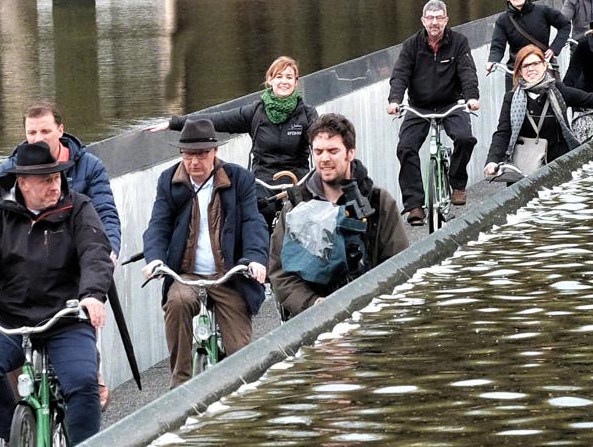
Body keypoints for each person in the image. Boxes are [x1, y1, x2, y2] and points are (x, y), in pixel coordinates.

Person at [0, 140, 114, 447]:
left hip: (66, 317)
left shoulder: (78, 208)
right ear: (22, 183)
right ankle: (14, 435)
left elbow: (95, 254)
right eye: (46, 180)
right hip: (13, 317)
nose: (55, 186)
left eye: (57, 178)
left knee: (82, 384)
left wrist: (93, 296)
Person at [141, 117, 269, 379]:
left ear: (215, 152)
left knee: (241, 361)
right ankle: (180, 384)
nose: (194, 163)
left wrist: (255, 259)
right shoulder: (169, 180)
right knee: (176, 303)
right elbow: (158, 225)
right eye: (188, 155)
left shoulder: (239, 179)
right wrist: (155, 260)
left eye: (201, 155)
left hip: (228, 276)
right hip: (186, 275)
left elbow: (252, 222)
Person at [268, 113, 412, 317]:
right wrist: (313, 304)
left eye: (333, 150)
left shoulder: (378, 202)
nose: (324, 158)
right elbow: (280, 272)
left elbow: (398, 262)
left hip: (369, 313)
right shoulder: (295, 206)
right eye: (318, 151)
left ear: (350, 152)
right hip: (311, 319)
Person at [483, 44, 593, 179]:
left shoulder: (559, 90)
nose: (531, 69)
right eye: (525, 66)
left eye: (535, 63)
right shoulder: (511, 98)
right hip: (524, 165)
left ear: (545, 66)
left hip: (557, 163)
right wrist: (492, 161)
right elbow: (503, 133)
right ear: (519, 72)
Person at [173, 55, 313, 216]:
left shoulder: (307, 114)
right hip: (264, 183)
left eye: (289, 77)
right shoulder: (256, 112)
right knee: (253, 213)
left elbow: (321, 136)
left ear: (296, 82)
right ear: (270, 80)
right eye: (279, 76)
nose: (284, 81)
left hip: (298, 181)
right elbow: (216, 119)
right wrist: (174, 123)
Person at [0, 100, 122, 255]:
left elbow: (106, 214)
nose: (38, 139)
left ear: (60, 130)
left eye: (45, 131)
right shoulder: (7, 171)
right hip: (25, 256)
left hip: (77, 253)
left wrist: (109, 252)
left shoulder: (90, 166)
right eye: (32, 133)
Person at [388, 0, 480, 222]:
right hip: (419, 106)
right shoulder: (411, 45)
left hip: (452, 104)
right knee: (406, 147)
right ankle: (414, 204)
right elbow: (400, 74)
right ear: (423, 21)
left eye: (439, 17)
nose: (435, 22)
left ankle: (457, 183)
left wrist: (472, 98)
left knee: (465, 138)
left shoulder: (459, 42)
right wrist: (395, 100)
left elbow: (467, 73)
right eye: (430, 18)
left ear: (446, 20)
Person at [484, 0, 571, 73]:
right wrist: (493, 61)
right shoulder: (503, 20)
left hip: (542, 64)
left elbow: (565, 25)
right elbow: (498, 45)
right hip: (516, 68)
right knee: (513, 88)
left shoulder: (542, 11)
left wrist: (554, 49)